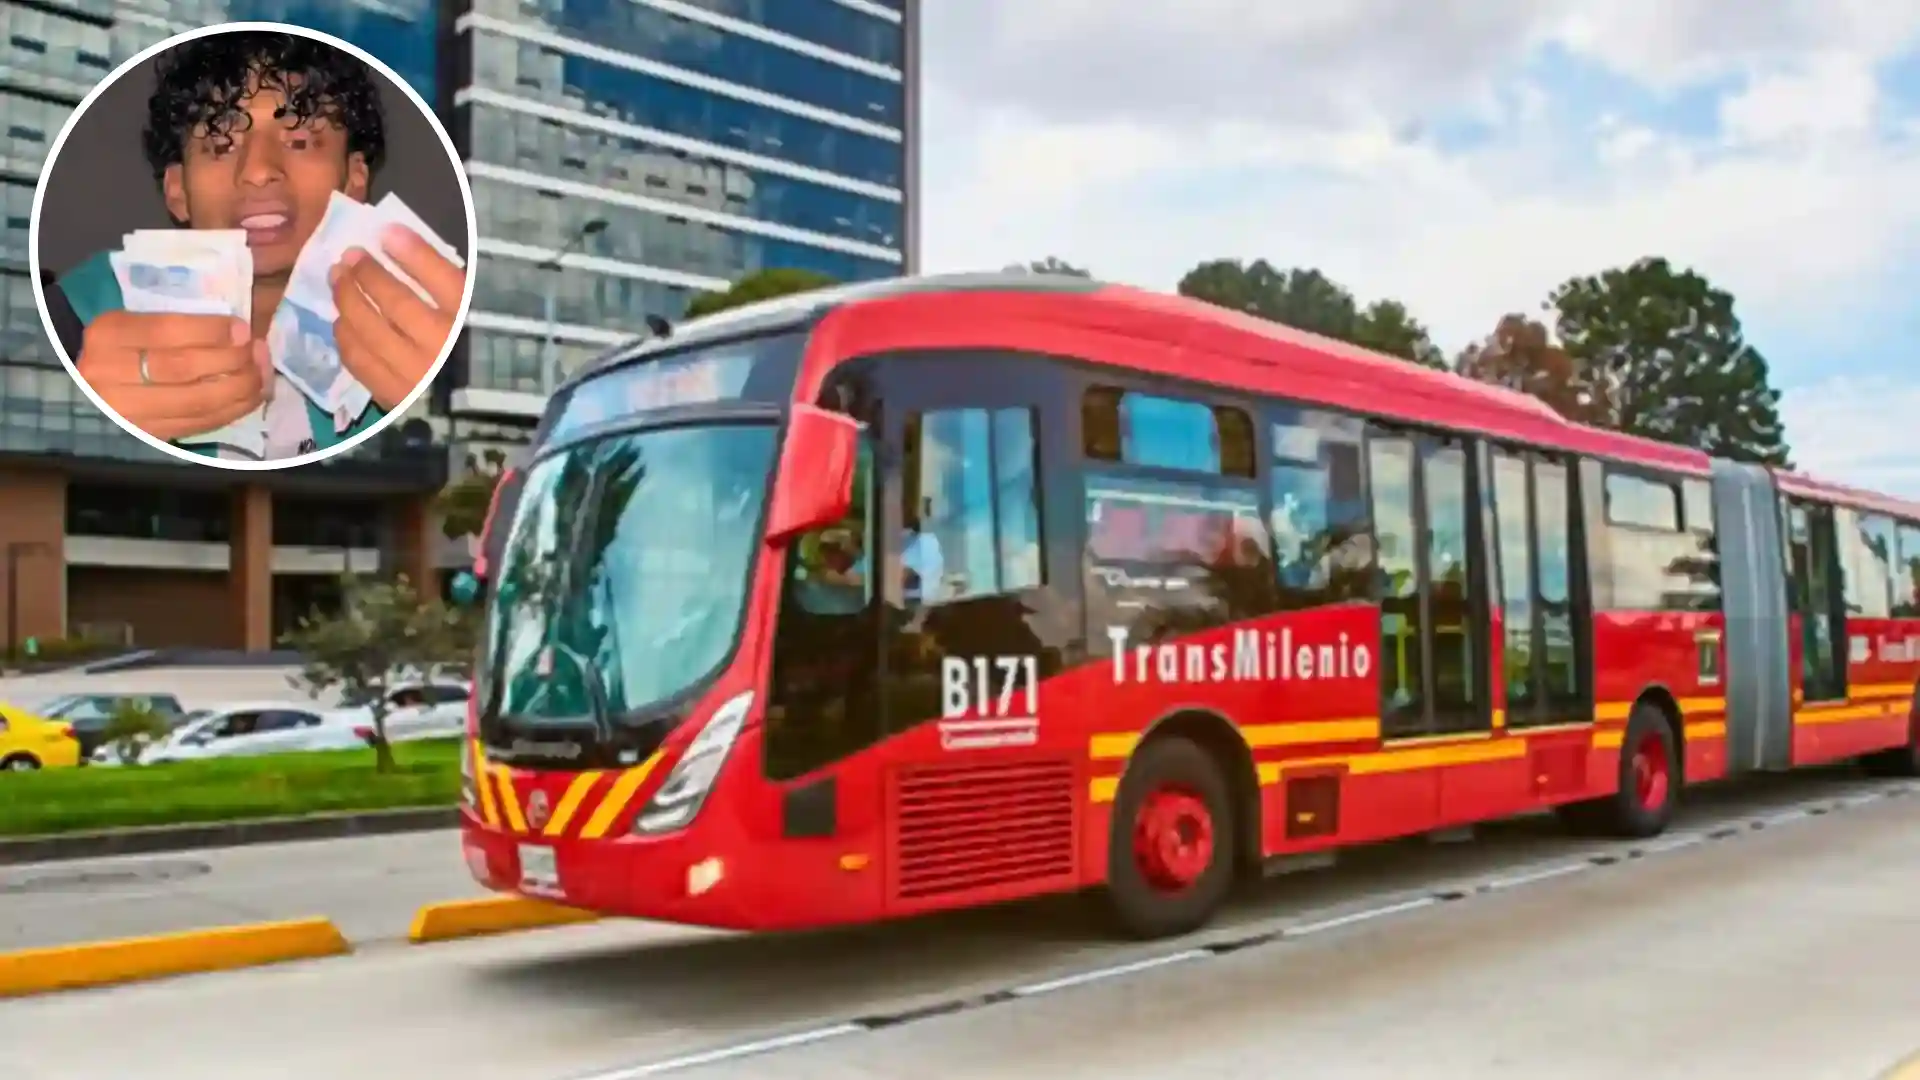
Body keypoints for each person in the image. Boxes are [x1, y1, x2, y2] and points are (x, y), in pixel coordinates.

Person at [43, 30, 464, 460]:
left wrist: (434, 395)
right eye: (220, 144)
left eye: (300, 141)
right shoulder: (67, 323)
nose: (259, 170)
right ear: (178, 192)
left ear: (355, 179)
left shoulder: (428, 345)